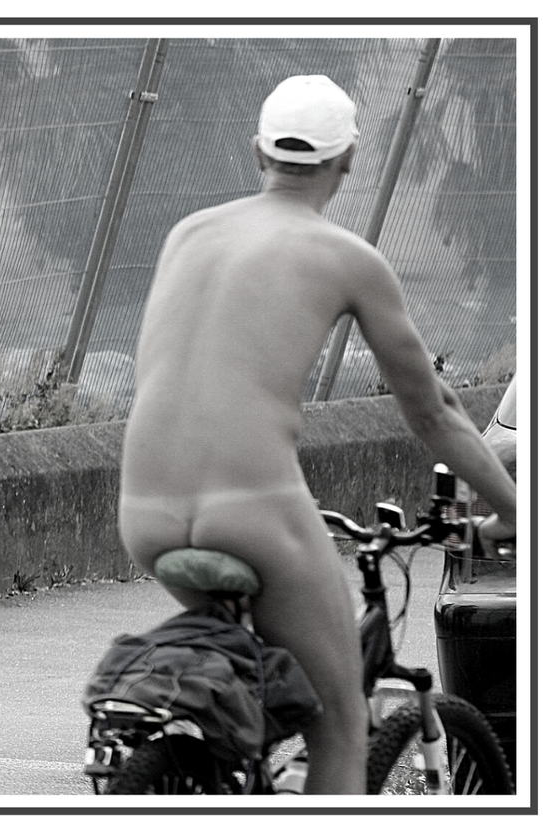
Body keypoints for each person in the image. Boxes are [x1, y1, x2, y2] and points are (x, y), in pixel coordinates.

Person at [118, 74, 517, 794]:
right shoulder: (347, 258)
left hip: (144, 513)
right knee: (340, 717)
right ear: (350, 160)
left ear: (257, 152)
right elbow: (435, 411)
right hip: (252, 512)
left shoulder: (188, 234)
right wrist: (516, 508)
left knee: (264, 681)